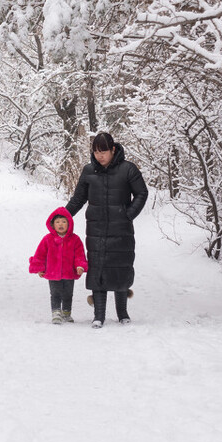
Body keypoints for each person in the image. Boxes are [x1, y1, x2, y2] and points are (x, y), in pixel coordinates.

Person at [66, 132, 148, 328]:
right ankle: (98, 315)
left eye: (103, 151)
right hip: (96, 229)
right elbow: (78, 199)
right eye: (95, 152)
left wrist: (128, 214)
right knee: (97, 269)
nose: (99, 156)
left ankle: (123, 313)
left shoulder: (128, 169)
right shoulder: (88, 171)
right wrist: (62, 216)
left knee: (120, 268)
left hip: (121, 231)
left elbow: (141, 193)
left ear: (113, 149)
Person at [28, 207, 88, 324]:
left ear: (69, 224)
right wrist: (40, 268)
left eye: (64, 222)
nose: (61, 224)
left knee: (68, 294)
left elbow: (79, 255)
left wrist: (80, 266)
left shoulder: (75, 239)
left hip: (69, 272)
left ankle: (66, 313)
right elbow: (40, 254)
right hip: (52, 273)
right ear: (52, 224)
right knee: (55, 293)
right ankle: (56, 312)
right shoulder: (47, 239)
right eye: (57, 222)